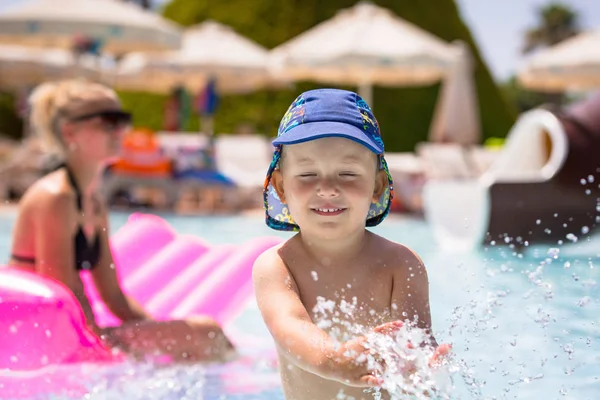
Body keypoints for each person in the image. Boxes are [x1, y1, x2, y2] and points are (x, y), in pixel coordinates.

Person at [8, 79, 234, 363]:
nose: (120, 131)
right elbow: (63, 291)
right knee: (207, 335)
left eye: (123, 120)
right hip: (36, 336)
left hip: (64, 329)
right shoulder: (56, 198)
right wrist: (105, 346)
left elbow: (114, 296)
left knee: (202, 338)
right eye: (108, 121)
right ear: (70, 132)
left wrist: (157, 330)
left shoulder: (93, 201)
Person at [253, 89, 451, 399]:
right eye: (307, 173)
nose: (328, 188)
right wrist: (334, 361)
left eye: (347, 173)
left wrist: (421, 368)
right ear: (280, 186)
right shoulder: (277, 266)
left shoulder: (400, 265)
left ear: (377, 185)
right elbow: (289, 326)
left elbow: (416, 346)